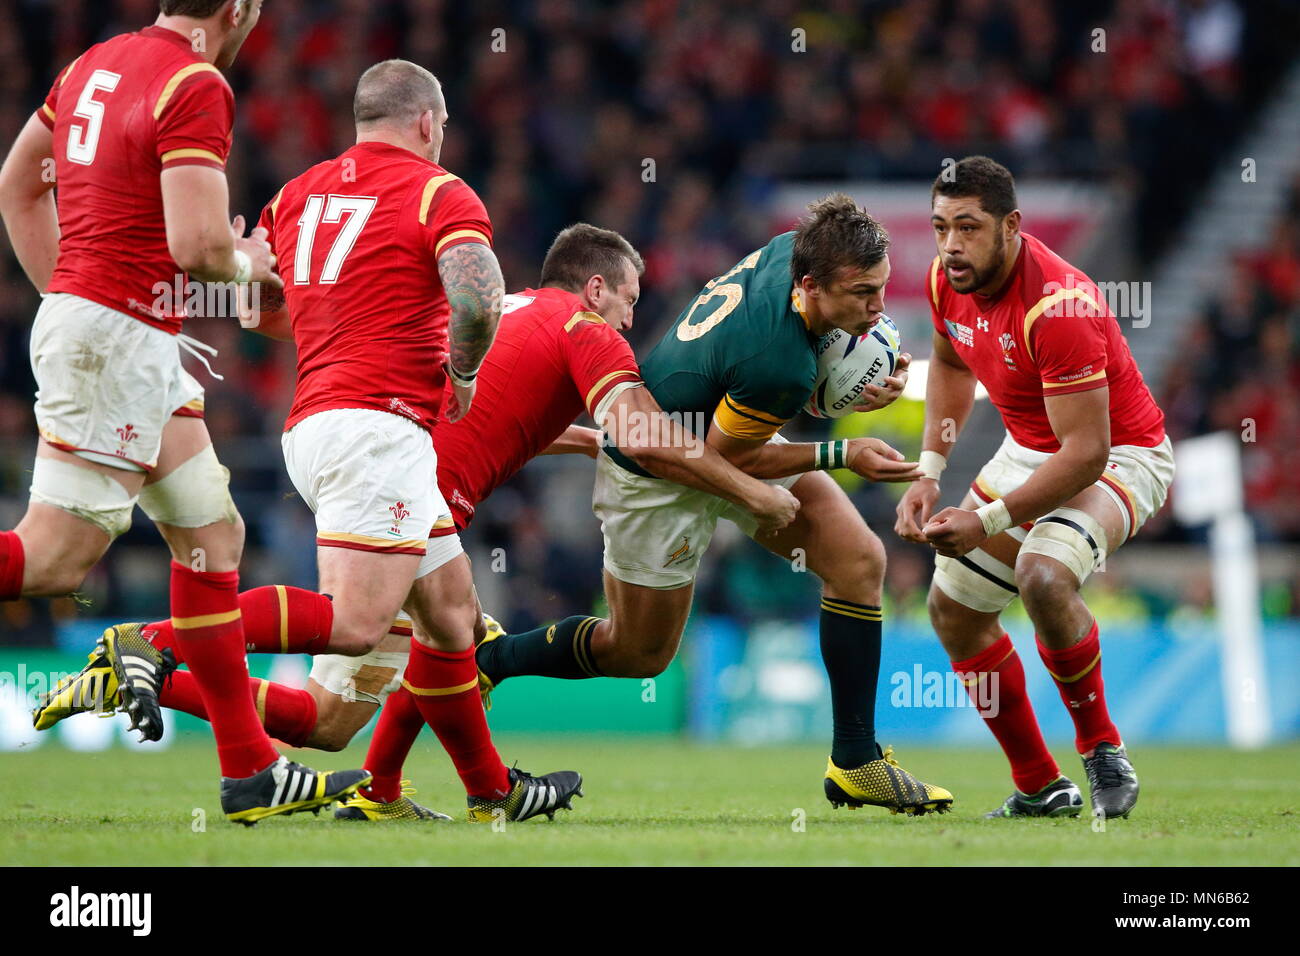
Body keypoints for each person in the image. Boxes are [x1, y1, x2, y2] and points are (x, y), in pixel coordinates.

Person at [40, 223, 800, 823]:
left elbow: (532, 421)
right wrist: (744, 485)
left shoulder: (507, 315)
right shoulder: (581, 327)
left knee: (330, 719)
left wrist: (605, 439)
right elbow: (639, 433)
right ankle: (159, 641)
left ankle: (147, 676)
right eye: (629, 302)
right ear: (595, 287)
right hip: (402, 478)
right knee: (450, 622)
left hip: (369, 456)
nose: (632, 321)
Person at [1, 0, 369, 824]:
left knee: (212, 534)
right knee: (54, 561)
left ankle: (250, 773)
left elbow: (18, 184)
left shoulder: (91, 65)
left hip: (125, 336)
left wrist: (72, 299)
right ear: (237, 10)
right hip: (118, 337)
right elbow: (200, 247)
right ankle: (248, 767)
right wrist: (254, 265)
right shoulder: (194, 80)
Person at [476, 195, 955, 816]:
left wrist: (842, 386)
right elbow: (725, 462)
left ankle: (857, 761)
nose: (877, 307)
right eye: (863, 293)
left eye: (881, 288)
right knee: (638, 652)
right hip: (659, 471)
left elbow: (753, 407)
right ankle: (493, 657)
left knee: (858, 561)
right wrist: (842, 451)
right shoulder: (775, 362)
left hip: (718, 428)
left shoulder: (796, 253)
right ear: (811, 285)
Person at [896, 156, 1174, 819]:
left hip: (1119, 454)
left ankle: (1102, 747)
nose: (951, 245)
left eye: (968, 227)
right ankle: (1040, 786)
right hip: (1031, 448)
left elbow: (1087, 453)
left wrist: (988, 521)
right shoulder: (945, 279)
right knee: (954, 610)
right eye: (941, 228)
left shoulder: (1060, 306)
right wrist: (929, 472)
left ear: (1012, 226)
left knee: (1043, 577)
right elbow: (951, 366)